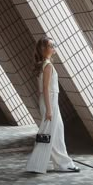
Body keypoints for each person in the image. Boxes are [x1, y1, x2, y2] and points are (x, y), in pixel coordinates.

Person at [25, 35, 80, 173]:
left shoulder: (44, 64)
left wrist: (46, 106)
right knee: (53, 133)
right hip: (50, 101)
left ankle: (57, 163)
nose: (54, 47)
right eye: (51, 45)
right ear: (44, 49)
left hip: (48, 100)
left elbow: (42, 91)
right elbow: (45, 89)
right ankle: (62, 164)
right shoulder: (48, 65)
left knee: (55, 132)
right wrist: (49, 110)